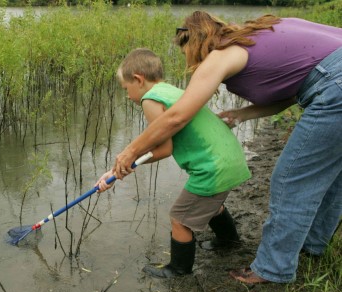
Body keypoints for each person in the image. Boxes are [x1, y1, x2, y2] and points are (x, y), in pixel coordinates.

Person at [112, 12, 342, 284]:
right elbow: (294, 90)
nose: (188, 60)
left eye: (185, 51)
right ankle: (311, 244)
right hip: (331, 80)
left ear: (195, 42)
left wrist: (129, 152)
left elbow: (177, 117)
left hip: (334, 86)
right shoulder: (257, 35)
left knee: (291, 180)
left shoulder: (222, 54)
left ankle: (274, 268)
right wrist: (242, 114)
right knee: (332, 175)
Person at [96, 48, 251, 278]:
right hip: (230, 159)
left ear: (138, 79)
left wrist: (123, 167)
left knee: (179, 219)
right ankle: (228, 243)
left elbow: (164, 149)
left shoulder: (151, 99)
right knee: (210, 204)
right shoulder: (171, 90)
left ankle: (178, 270)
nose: (127, 96)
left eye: (126, 89)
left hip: (212, 168)